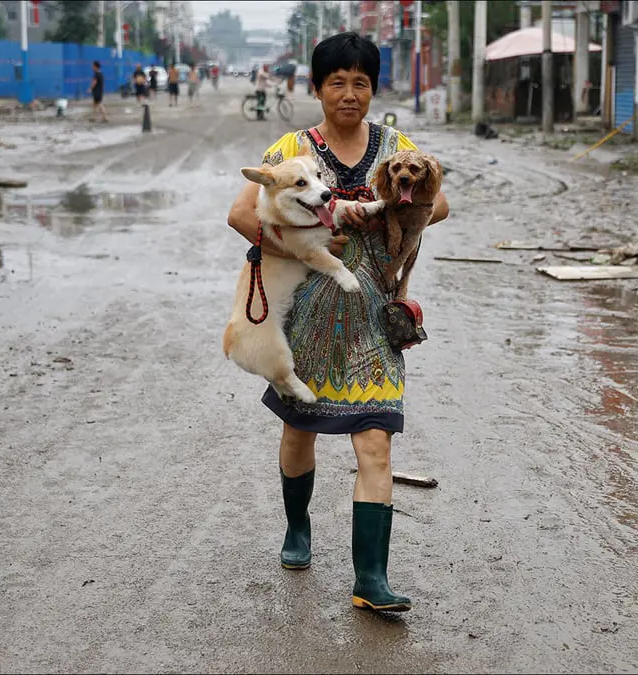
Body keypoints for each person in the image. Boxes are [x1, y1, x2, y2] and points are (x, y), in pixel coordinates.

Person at [227, 32, 449, 613]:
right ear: (317, 88)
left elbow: (440, 203)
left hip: (375, 318)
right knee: (300, 430)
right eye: (337, 82)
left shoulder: (397, 146)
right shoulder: (292, 150)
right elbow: (240, 214)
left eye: (360, 83)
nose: (349, 94)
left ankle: (370, 580)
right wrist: (301, 240)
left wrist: (395, 213)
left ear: (373, 89)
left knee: (375, 441)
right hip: (306, 313)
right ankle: (297, 528)